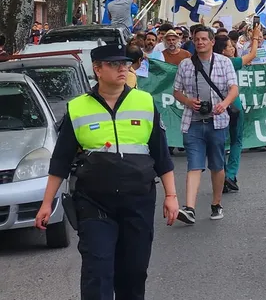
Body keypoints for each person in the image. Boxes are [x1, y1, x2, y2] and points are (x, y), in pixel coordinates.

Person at [34, 43, 179, 299]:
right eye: (114, 64)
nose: (122, 68)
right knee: (97, 271)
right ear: (98, 70)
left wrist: (171, 196)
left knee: (133, 272)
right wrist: (47, 203)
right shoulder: (78, 107)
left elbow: (161, 154)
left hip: (138, 200)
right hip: (94, 202)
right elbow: (61, 160)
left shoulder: (144, 102)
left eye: (124, 63)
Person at [172, 24, 239, 223]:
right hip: (192, 122)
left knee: (217, 165)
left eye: (204, 39)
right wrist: (188, 101)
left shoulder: (224, 62)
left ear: (211, 42)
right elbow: (176, 91)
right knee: (194, 164)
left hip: (217, 122)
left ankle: (216, 204)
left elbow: (234, 88)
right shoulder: (185, 64)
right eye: (196, 39)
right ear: (193, 42)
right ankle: (189, 208)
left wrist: (224, 104)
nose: (200, 42)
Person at [214, 29, 261, 191]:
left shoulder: (208, 62)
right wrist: (255, 37)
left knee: (218, 142)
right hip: (233, 106)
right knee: (236, 140)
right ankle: (230, 175)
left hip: (216, 107)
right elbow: (252, 54)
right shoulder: (229, 62)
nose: (232, 48)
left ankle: (222, 175)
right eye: (229, 46)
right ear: (222, 51)